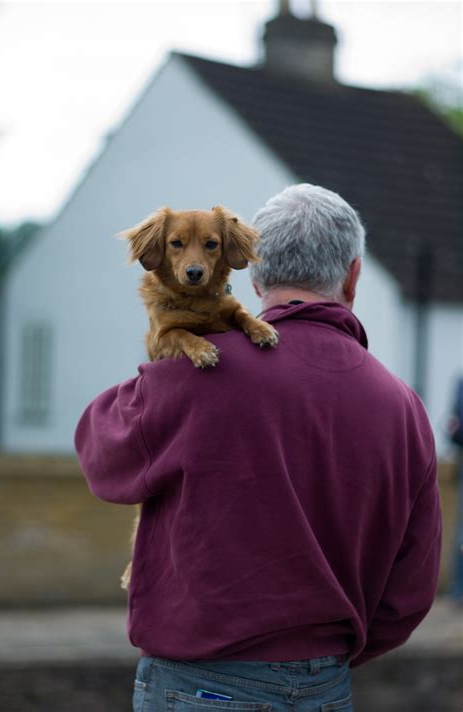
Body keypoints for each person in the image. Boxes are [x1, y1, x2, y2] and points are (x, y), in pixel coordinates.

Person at [75, 184, 441, 711]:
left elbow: (99, 454)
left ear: (253, 269)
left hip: (201, 682)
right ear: (354, 275)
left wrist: (162, 370)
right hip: (327, 684)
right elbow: (411, 590)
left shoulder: (196, 374)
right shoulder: (404, 406)